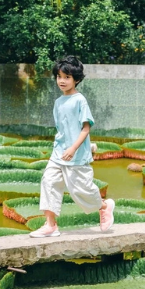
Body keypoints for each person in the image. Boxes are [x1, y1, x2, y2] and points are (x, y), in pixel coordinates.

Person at [30, 56, 115, 238]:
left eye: (67, 77)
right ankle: (50, 225)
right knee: (49, 182)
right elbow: (63, 129)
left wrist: (75, 148)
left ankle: (104, 206)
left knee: (80, 189)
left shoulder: (80, 100)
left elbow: (85, 127)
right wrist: (62, 148)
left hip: (75, 154)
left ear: (76, 79)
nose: (62, 80)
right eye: (59, 76)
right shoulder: (58, 102)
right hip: (59, 153)